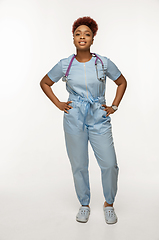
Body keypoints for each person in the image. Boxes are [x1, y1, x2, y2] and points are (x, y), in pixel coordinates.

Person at [40, 16, 127, 224]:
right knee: (79, 164)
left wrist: (113, 106)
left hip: (99, 116)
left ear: (92, 38)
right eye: (78, 34)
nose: (82, 37)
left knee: (110, 164)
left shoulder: (103, 63)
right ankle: (84, 204)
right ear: (73, 38)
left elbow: (122, 82)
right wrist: (60, 104)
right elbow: (44, 82)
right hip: (74, 117)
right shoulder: (64, 65)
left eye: (86, 34)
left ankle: (109, 204)